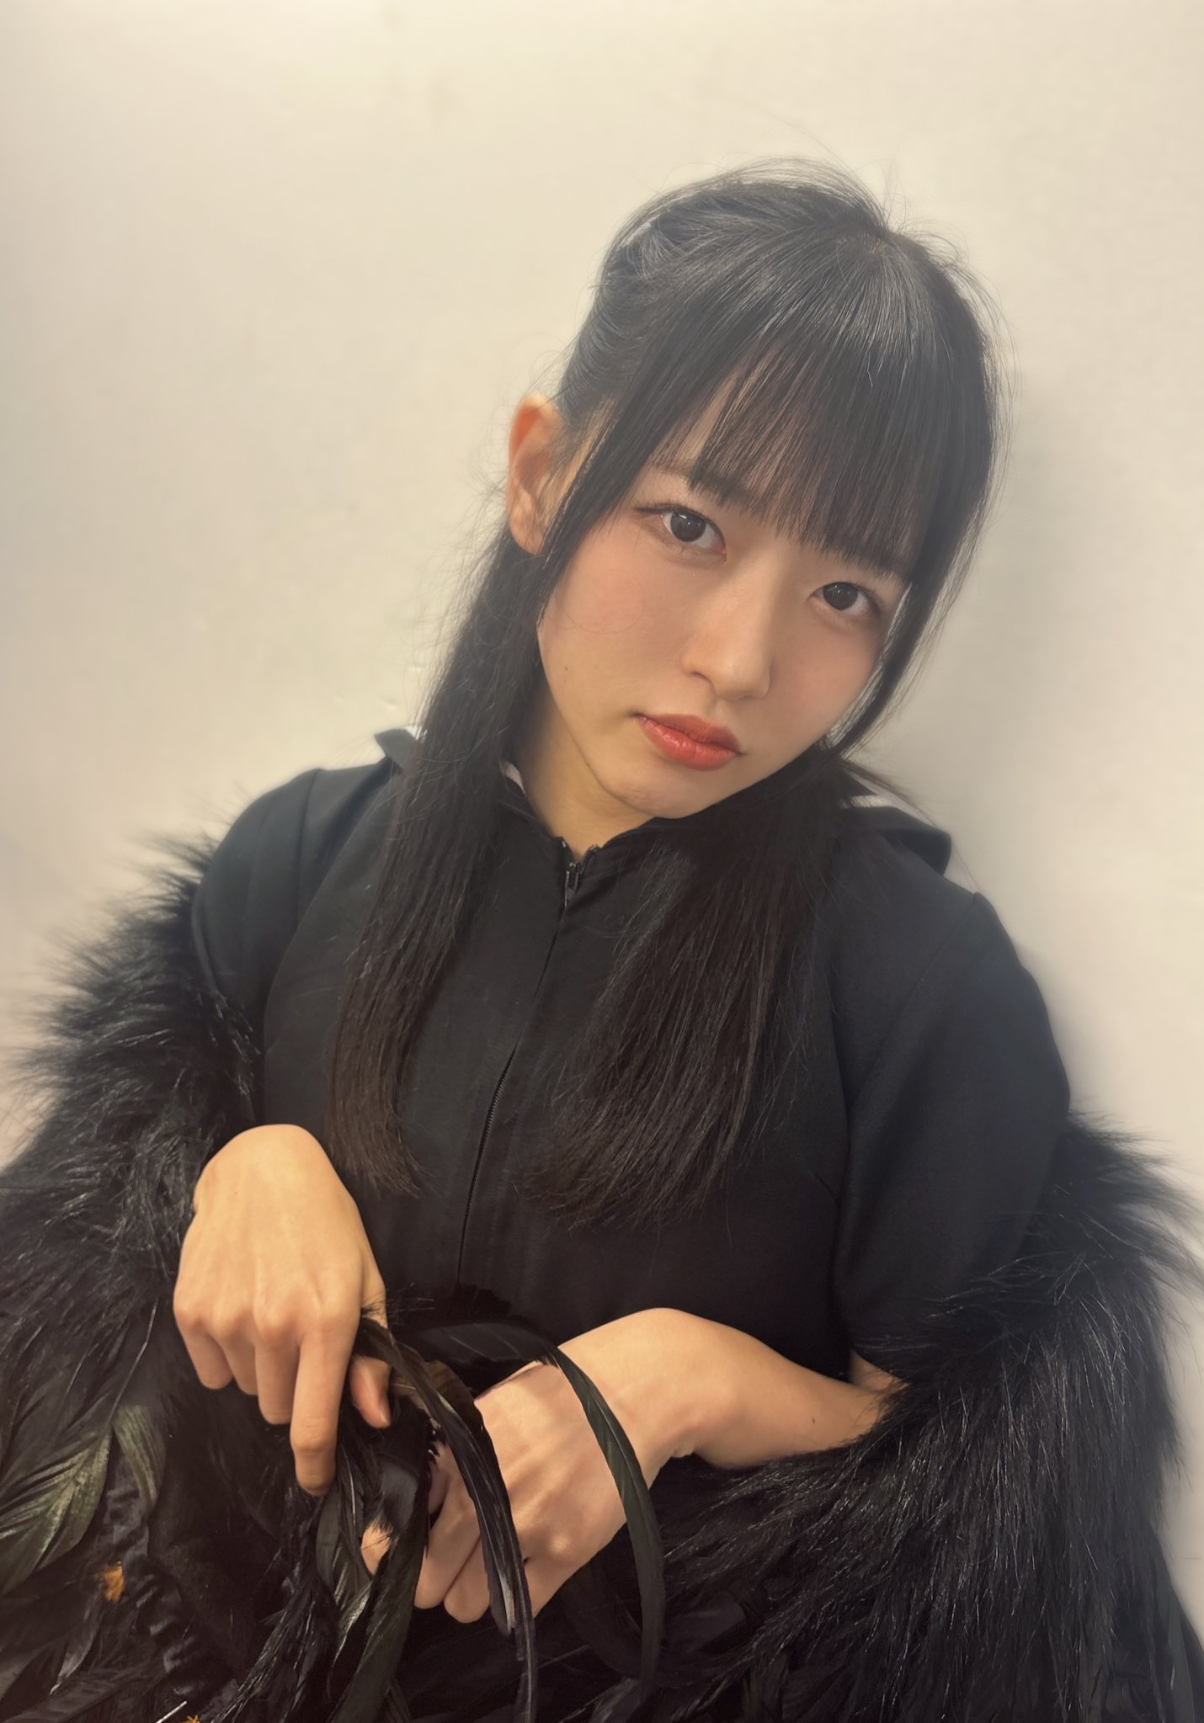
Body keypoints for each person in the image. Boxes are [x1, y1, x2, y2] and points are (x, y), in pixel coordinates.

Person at [1, 158, 1201, 1723]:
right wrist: (235, 1161)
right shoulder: (297, 862)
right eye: (688, 521)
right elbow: (95, 1354)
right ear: (540, 476)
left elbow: (976, 1512)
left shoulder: (922, 984)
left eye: (846, 591)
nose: (740, 658)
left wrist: (698, 1377)